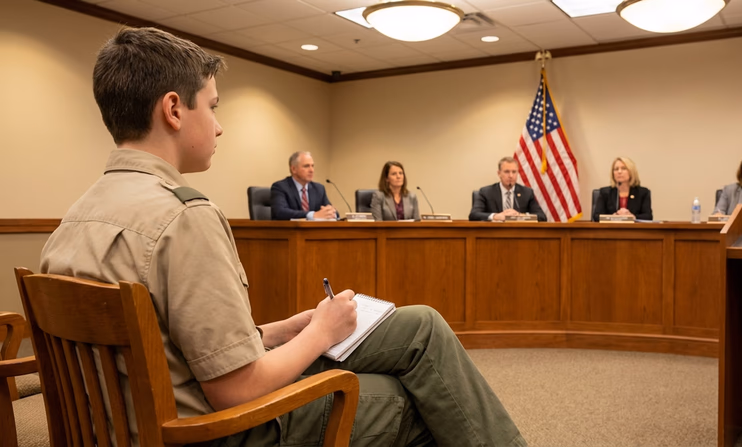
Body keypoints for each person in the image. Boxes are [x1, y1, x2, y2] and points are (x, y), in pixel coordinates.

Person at [39, 27, 526, 447]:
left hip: (134, 420)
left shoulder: (71, 223)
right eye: (212, 106)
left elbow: (171, 343)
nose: (220, 125)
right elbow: (235, 390)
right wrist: (321, 333)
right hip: (220, 430)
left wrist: (283, 330)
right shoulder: (183, 217)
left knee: (420, 325)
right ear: (173, 109)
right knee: (415, 397)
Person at [469, 156, 547, 222]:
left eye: (514, 172)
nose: (510, 175)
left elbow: (542, 217)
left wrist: (520, 216)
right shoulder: (486, 192)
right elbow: (474, 215)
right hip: (494, 235)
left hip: (519, 235)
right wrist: (496, 216)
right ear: (499, 173)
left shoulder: (527, 193)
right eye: (507, 172)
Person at [271, 151, 337, 220]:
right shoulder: (280, 187)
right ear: (293, 169)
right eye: (306, 166)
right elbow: (280, 212)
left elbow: (333, 212)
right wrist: (312, 215)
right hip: (290, 230)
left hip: (314, 230)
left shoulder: (318, 188)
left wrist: (331, 212)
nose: (311, 170)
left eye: (312, 166)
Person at [592, 157, 653, 221]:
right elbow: (596, 216)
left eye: (624, 168)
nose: (619, 172)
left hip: (634, 230)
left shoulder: (643, 193)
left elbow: (648, 216)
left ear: (631, 171)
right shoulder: (605, 192)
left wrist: (632, 217)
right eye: (616, 169)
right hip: (611, 230)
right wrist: (613, 217)